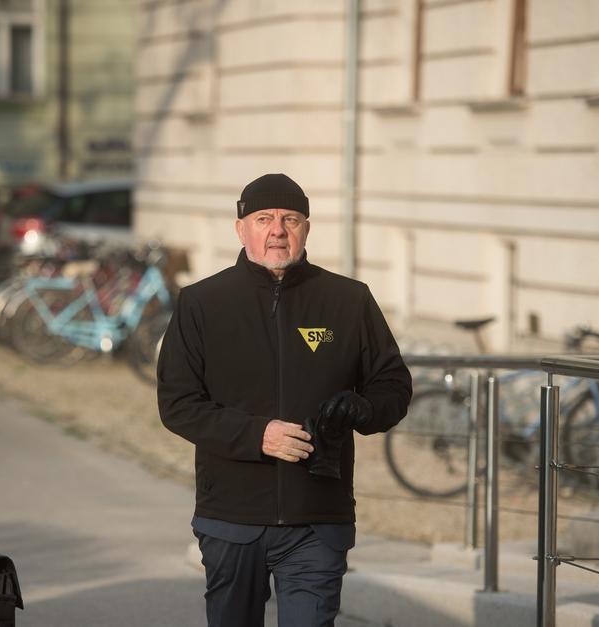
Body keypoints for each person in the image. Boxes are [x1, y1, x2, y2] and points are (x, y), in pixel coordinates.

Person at [157, 173, 412, 627]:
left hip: (318, 519)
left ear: (306, 228)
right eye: (264, 219)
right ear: (241, 229)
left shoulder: (349, 300)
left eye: (290, 219)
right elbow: (178, 404)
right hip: (231, 518)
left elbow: (393, 385)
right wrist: (259, 435)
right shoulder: (202, 302)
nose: (278, 230)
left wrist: (364, 409)